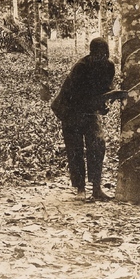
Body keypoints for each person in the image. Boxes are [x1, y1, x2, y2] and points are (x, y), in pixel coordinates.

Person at [51, 37, 117, 201]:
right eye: (97, 55)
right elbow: (76, 95)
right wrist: (99, 101)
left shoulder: (109, 67)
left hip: (90, 110)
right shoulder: (81, 68)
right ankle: (80, 188)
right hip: (71, 110)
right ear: (91, 54)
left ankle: (96, 187)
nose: (100, 58)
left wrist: (108, 101)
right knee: (75, 150)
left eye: (104, 55)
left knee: (97, 145)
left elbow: (107, 88)